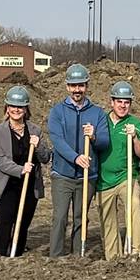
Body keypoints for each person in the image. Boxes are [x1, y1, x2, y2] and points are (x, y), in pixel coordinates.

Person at [46, 64, 111, 256]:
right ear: (67, 86)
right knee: (59, 217)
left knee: (80, 217)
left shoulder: (97, 113)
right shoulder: (57, 112)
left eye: (81, 85)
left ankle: (77, 255)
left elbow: (105, 143)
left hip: (87, 177)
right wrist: (76, 158)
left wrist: (94, 137)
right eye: (73, 86)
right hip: (62, 175)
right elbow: (57, 140)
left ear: (86, 86)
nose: (77, 90)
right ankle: (55, 255)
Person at [0, 85, 52, 256]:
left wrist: (38, 145)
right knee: (6, 219)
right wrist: (20, 169)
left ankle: (16, 254)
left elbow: (46, 157)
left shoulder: (35, 131)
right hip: (7, 185)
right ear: (7, 108)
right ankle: (1, 255)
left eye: (20, 106)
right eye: (12, 106)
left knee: (23, 222)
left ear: (25, 109)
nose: (16, 110)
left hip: (30, 185)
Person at [96, 80, 140, 260]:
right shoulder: (101, 121)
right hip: (103, 180)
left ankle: (135, 251)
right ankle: (113, 256)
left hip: (127, 177)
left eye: (126, 102)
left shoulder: (136, 124)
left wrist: (134, 138)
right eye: (119, 101)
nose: (123, 105)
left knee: (133, 206)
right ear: (112, 102)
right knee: (107, 219)